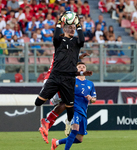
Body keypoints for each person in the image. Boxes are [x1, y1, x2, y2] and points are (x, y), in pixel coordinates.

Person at [35, 11, 93, 142]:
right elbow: (67, 65)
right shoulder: (61, 46)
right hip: (54, 79)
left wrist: (82, 71)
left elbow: (70, 66)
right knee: (66, 103)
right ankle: (51, 121)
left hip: (60, 78)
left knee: (67, 103)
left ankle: (48, 124)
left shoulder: (67, 51)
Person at [51, 62, 96, 150]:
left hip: (83, 111)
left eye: (83, 67)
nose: (81, 68)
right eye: (79, 67)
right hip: (73, 108)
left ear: (86, 69)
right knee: (75, 129)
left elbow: (94, 99)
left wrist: (91, 98)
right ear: (76, 69)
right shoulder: (72, 81)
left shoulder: (90, 84)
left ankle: (56, 142)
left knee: (79, 139)